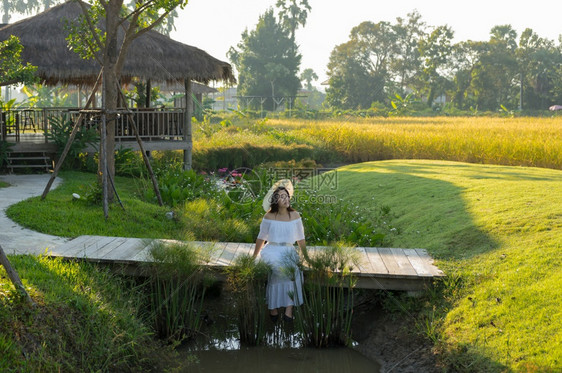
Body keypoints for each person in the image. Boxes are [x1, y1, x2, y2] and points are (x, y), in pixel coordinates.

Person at [252, 179, 306, 322]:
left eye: (286, 196)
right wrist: (254, 257)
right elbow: (261, 238)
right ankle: (272, 306)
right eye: (282, 196)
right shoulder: (269, 216)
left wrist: (305, 256)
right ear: (276, 200)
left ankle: (289, 307)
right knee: (277, 267)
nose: (285, 199)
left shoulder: (295, 215)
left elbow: (300, 238)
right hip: (272, 249)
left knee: (293, 269)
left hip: (288, 249)